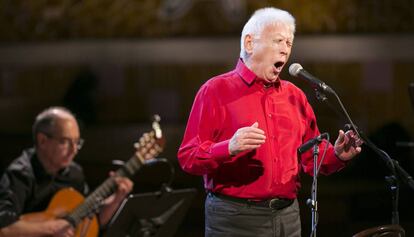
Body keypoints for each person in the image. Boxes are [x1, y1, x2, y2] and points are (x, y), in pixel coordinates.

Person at [177, 7, 363, 237]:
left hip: (288, 217)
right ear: (249, 43)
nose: (285, 49)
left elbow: (310, 156)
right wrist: (229, 147)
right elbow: (188, 156)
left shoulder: (294, 96)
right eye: (278, 41)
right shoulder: (215, 91)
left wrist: (336, 155)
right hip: (235, 219)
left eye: (289, 43)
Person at [0, 107, 133, 237]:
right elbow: (4, 229)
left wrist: (117, 198)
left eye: (76, 142)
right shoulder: (20, 175)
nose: (73, 150)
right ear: (42, 141)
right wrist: (53, 228)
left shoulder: (74, 173)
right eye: (65, 142)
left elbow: (91, 221)